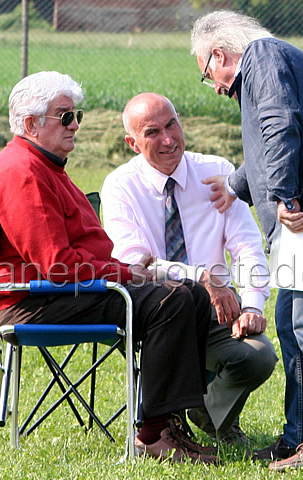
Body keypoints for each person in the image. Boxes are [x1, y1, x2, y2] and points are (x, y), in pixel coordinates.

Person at [0, 71, 218, 464]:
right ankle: (153, 435)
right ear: (32, 124)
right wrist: (125, 274)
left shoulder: (43, 165)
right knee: (170, 301)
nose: (76, 125)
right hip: (34, 302)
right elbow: (56, 266)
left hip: (63, 291)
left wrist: (126, 271)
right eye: (65, 117)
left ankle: (169, 420)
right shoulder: (23, 173)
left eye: (76, 114)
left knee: (193, 295)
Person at [191, 11, 303, 472]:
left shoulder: (262, 56)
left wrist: (283, 197)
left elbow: (278, 124)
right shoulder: (270, 61)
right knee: (291, 318)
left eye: (206, 73)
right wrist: (234, 184)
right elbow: (269, 140)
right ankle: (299, 435)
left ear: (220, 54)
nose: (213, 86)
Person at [101, 93, 278, 446]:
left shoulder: (217, 172)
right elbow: (135, 265)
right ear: (132, 143)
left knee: (259, 357)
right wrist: (200, 277)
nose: (168, 139)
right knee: (173, 303)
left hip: (217, 312)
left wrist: (253, 305)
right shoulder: (120, 186)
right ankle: (183, 422)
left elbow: (247, 245)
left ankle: (203, 412)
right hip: (157, 312)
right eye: (152, 132)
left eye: (172, 125)